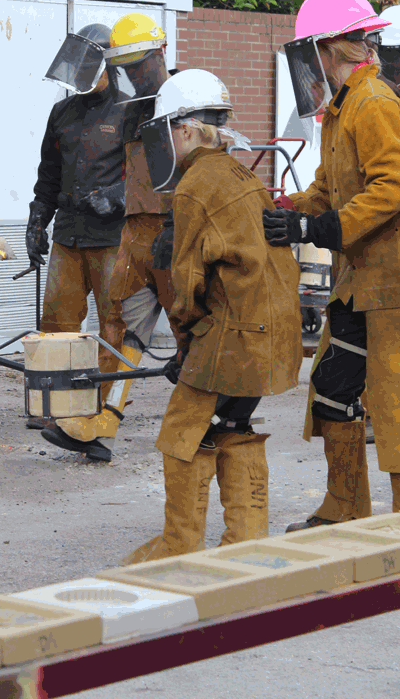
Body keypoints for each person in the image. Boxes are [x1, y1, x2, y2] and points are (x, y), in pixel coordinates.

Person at [125, 69, 302, 562]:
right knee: (233, 425)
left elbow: (186, 289)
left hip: (236, 332)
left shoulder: (194, 186)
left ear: (183, 128)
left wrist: (186, 347)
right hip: (272, 333)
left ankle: (178, 546)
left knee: (182, 431)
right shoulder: (240, 172)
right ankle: (246, 546)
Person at [263, 0, 400, 529]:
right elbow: (327, 188)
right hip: (359, 283)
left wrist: (320, 227)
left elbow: (393, 186)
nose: (310, 63)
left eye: (311, 51)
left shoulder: (373, 103)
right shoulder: (342, 110)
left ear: (331, 48)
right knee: (333, 389)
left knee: (397, 408)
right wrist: (280, 212)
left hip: (394, 286)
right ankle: (344, 508)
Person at [42, 12, 179, 462]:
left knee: (196, 336)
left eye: (141, 64)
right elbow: (136, 173)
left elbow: (191, 173)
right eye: (129, 66)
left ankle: (217, 418)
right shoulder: (128, 110)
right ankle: (95, 425)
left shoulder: (180, 99)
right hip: (130, 238)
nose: (135, 74)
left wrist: (118, 199)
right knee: (125, 338)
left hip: (164, 238)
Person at [26, 23, 126, 431]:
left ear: (107, 66)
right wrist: (37, 223)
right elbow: (48, 177)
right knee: (56, 325)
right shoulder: (62, 113)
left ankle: (100, 412)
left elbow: (150, 174)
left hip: (111, 239)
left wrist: (117, 196)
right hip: (68, 235)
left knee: (113, 327)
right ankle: (57, 406)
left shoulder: (130, 109)